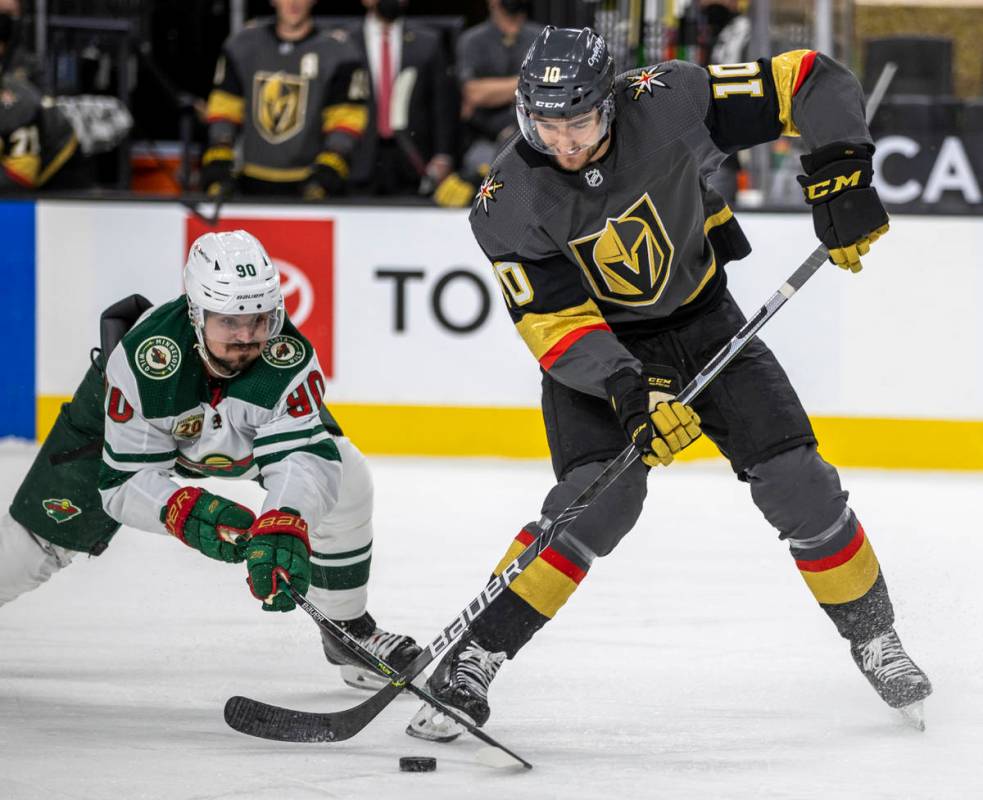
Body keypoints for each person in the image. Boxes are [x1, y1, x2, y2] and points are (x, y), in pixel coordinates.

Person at [408, 27, 931, 740]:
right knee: (597, 503)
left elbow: (808, 75)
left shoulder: (670, 99)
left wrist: (840, 171)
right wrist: (629, 392)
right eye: (546, 123)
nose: (563, 142)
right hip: (605, 346)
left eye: (580, 121)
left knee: (799, 483)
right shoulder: (506, 200)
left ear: (611, 104)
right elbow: (556, 325)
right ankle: (473, 659)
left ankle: (876, 638)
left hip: (704, 320)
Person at [0, 231, 420, 691]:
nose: (246, 337)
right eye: (229, 322)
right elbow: (123, 483)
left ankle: (347, 633)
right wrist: (185, 511)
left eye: (258, 320)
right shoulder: (145, 360)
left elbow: (301, 459)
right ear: (196, 315)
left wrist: (283, 523)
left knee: (348, 477)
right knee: (33, 546)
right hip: (133, 433)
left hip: (237, 432)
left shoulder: (287, 358)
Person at [202, 0, 369, 199]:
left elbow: (347, 117)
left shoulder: (339, 51)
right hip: (250, 181)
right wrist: (220, 154)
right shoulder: (244, 44)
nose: (294, 3)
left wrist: (332, 162)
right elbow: (225, 107)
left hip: (310, 183)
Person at [433, 0, 542, 207]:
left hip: (533, 136)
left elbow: (549, 89)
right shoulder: (472, 40)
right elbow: (474, 93)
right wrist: (527, 83)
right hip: (485, 139)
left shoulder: (543, 38)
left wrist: (493, 90)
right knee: (478, 182)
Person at [346, 0, 455, 196]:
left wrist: (443, 155)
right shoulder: (345, 42)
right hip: (357, 157)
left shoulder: (428, 42)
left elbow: (442, 105)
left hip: (412, 158)